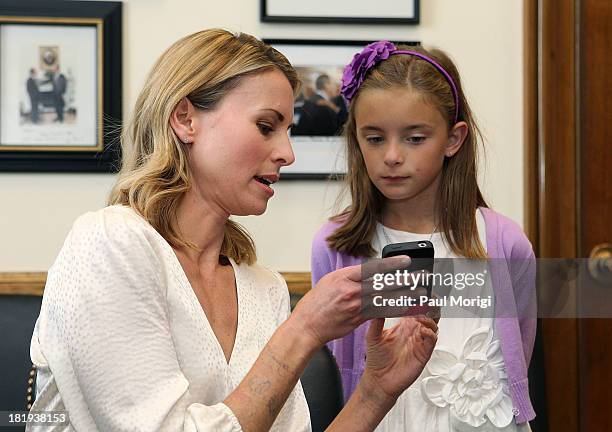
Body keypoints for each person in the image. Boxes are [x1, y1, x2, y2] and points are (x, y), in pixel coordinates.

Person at [27, 30, 439, 432]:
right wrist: (304, 329)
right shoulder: (109, 244)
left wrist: (376, 391)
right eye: (266, 126)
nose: (288, 154)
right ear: (186, 119)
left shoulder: (265, 289)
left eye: (288, 131)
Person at [311, 41, 537, 431]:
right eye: (375, 138)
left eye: (415, 138)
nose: (393, 156)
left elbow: (520, 349)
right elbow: (336, 360)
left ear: (453, 139)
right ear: (356, 140)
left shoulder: (504, 243)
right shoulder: (335, 246)